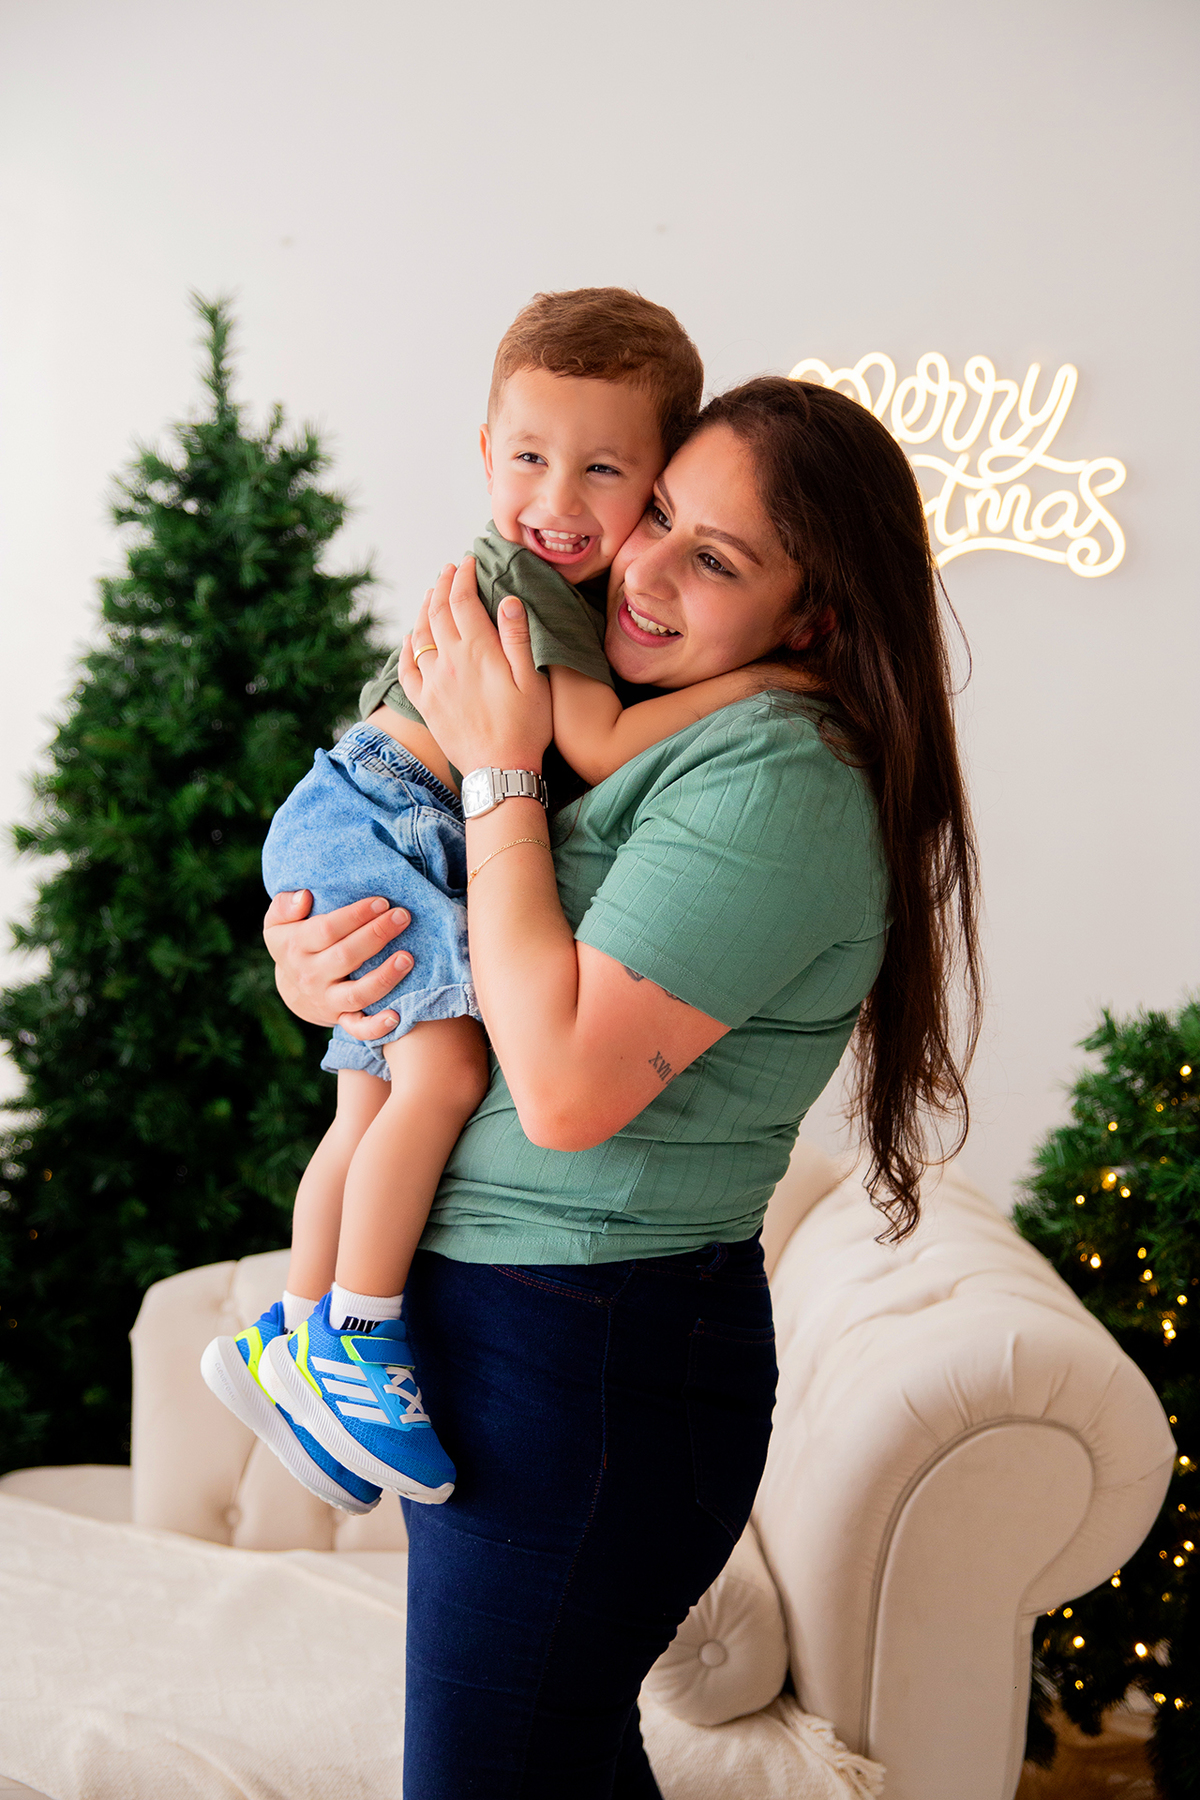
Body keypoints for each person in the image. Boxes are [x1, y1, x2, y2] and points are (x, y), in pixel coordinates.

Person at [264, 375, 982, 1797]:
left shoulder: (781, 773)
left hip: (586, 1347)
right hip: (514, 1328)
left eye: (714, 556)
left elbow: (570, 1090)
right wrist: (324, 970)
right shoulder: (662, 714)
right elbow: (470, 942)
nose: (642, 564)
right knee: (552, 1763)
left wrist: (495, 775)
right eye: (656, 510)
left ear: (816, 619)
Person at [201, 289, 777, 1515]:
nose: (559, 502)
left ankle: (288, 1333)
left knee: (365, 1104)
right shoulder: (522, 589)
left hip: (362, 814)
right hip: (387, 817)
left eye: (605, 471)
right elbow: (604, 744)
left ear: (654, 476)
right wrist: (770, 682)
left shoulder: (552, 583)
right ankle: (356, 1336)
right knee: (444, 1078)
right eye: (528, 459)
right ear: (483, 454)